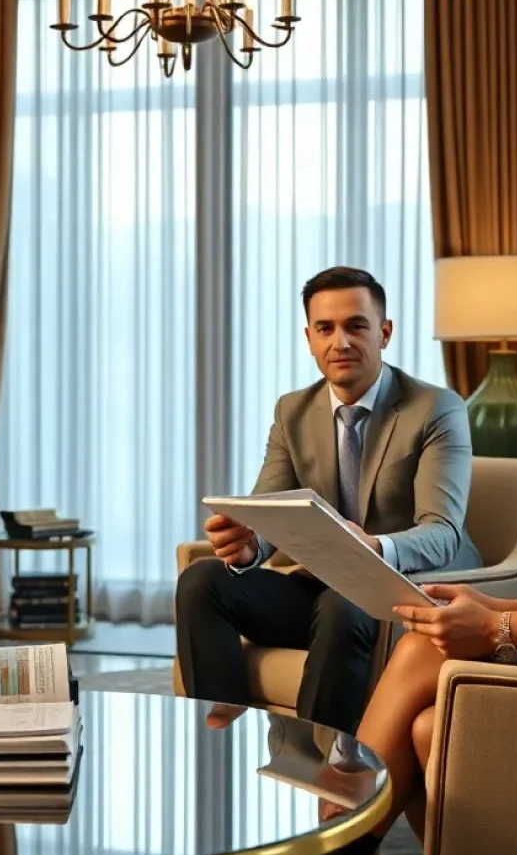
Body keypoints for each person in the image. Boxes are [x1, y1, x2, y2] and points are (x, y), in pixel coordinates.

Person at [267, 173, 517, 855]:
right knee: (431, 721)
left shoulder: (435, 406)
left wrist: (501, 630)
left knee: (424, 672)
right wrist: (504, 608)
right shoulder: (294, 408)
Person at [176, 266, 481, 738]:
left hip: (402, 589)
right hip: (321, 589)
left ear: (384, 332)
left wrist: (372, 549)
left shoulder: (436, 408)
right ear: (309, 338)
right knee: (202, 581)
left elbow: (443, 533)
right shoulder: (292, 411)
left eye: (356, 326)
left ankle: (321, 757)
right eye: (325, 328)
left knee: (344, 602)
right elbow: (269, 511)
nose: (341, 342)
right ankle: (221, 737)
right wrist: (249, 545)